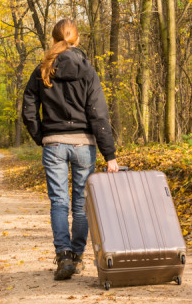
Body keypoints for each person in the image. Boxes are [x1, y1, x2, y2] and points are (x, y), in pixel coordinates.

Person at [22, 18, 119, 281]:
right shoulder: (87, 70)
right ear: (77, 40)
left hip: (54, 144)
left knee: (58, 201)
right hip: (84, 145)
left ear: (54, 40)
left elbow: (28, 108)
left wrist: (41, 136)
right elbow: (99, 115)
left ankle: (63, 255)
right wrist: (109, 154)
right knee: (80, 203)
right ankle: (76, 257)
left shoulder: (42, 69)